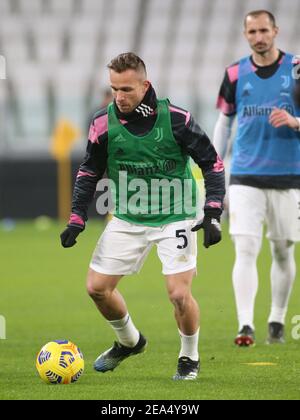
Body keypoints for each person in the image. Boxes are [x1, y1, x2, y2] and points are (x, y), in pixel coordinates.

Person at [61, 53, 225, 380]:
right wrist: (77, 216)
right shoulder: (102, 123)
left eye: (126, 89)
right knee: (96, 288)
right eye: (114, 89)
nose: (119, 97)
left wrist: (213, 210)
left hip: (176, 216)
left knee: (179, 293)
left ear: (145, 85)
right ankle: (130, 342)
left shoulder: (177, 119)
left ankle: (189, 357)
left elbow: (212, 163)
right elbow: (89, 169)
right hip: (128, 217)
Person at [213, 10, 300, 347]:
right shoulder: (234, 72)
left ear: (275, 31)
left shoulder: (296, 68)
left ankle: (276, 318)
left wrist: (294, 123)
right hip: (245, 175)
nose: (259, 36)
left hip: (289, 176)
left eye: (264, 30)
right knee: (245, 248)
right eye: (252, 31)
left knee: (281, 251)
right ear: (245, 34)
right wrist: (216, 167)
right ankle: (245, 324)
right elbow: (224, 122)